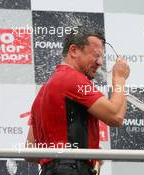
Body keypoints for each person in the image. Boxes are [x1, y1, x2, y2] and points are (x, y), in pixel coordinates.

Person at [25, 27, 130, 175]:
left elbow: (29, 151)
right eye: (96, 55)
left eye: (101, 57)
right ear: (73, 51)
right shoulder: (72, 79)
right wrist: (119, 78)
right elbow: (116, 116)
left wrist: (87, 153)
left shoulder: (43, 92)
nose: (100, 62)